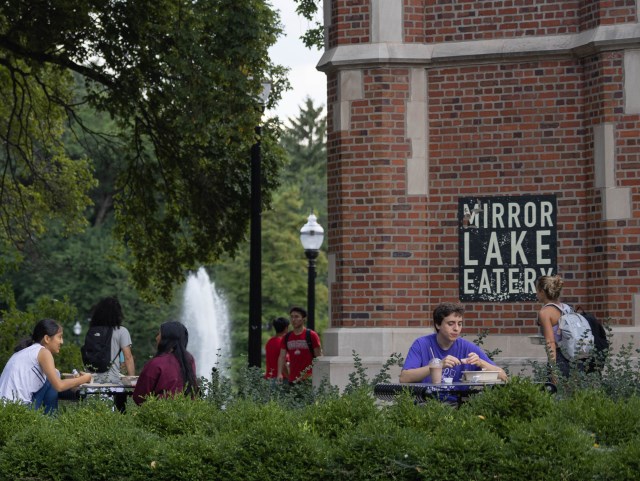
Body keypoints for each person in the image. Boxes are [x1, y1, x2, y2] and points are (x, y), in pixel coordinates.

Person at [0, 318, 92, 414]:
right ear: (47, 339)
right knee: (51, 381)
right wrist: (85, 378)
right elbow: (58, 386)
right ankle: (51, 423)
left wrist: (73, 380)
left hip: (4, 408)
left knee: (53, 377)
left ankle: (50, 423)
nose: (62, 342)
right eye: (60, 337)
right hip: (17, 410)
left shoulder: (25, 352)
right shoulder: (43, 352)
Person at [399, 302, 507, 384]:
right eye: (451, 324)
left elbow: (503, 376)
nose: (456, 329)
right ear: (437, 325)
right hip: (426, 405)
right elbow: (404, 378)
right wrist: (438, 365)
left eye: (459, 324)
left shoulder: (467, 347)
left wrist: (481, 363)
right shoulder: (421, 344)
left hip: (459, 405)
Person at [133, 321, 198, 405]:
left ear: (166, 338)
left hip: (160, 413)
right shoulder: (189, 359)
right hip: (187, 412)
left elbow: (139, 396)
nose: (156, 338)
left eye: (159, 334)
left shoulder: (156, 363)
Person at [86, 297, 136, 384]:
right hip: (112, 381)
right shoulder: (121, 331)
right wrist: (132, 382)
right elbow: (128, 357)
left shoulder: (92, 331)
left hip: (91, 380)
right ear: (118, 313)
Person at [536, 274, 574, 377]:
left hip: (560, 357)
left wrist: (553, 370)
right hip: (575, 356)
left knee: (555, 391)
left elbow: (550, 342)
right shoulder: (567, 308)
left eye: (537, 290)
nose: (536, 294)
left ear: (542, 292)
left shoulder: (545, 312)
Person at [277, 306, 322, 384]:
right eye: (291, 317)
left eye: (297, 317)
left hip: (309, 380)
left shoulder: (311, 335)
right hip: (293, 380)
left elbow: (319, 357)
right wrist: (279, 373)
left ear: (303, 319)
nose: (293, 320)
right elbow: (282, 357)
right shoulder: (286, 337)